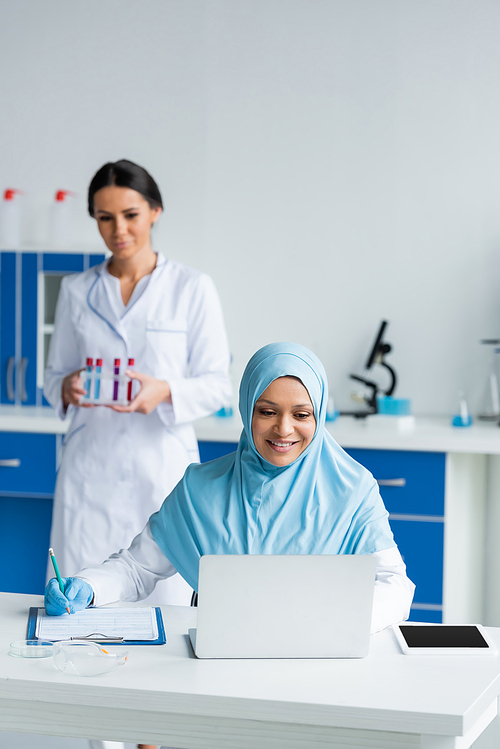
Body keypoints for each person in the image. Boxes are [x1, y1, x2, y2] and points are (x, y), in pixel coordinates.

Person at [46, 342, 415, 640]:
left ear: (317, 416)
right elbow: (137, 567)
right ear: (246, 410)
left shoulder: (352, 490)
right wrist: (89, 586)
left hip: (318, 666)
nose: (283, 429)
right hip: (220, 660)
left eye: (301, 415)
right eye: (267, 412)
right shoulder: (200, 488)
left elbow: (394, 584)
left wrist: (335, 625)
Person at [44, 159, 232, 615]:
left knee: (164, 609)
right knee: (75, 609)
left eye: (130, 214)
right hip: (90, 475)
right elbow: (53, 381)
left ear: (155, 211)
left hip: (161, 473)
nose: (118, 229)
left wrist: (164, 391)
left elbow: (218, 385)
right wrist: (67, 386)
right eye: (105, 218)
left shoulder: (191, 288)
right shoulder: (76, 291)